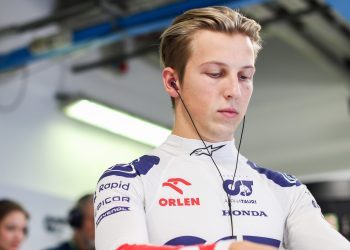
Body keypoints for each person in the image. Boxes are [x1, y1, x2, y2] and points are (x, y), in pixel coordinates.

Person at [93, 6, 350, 250]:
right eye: (215, 73)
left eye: (244, 76)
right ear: (173, 82)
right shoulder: (128, 180)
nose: (234, 91)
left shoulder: (286, 189)